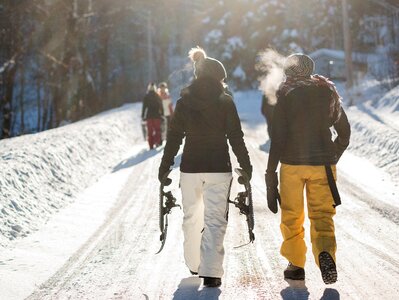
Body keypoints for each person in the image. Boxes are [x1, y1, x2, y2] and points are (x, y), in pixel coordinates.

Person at [158, 47, 252, 288]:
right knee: (214, 219)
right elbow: (236, 136)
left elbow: (174, 137)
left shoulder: (183, 102)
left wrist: (165, 165)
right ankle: (211, 272)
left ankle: (193, 263)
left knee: (191, 216)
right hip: (219, 167)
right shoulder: (225, 101)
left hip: (190, 168)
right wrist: (246, 165)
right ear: (218, 78)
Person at [265, 53, 350, 284]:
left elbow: (278, 137)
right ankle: (325, 253)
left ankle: (295, 265)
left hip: (292, 165)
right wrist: (334, 154)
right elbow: (344, 132)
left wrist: (270, 172)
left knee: (292, 216)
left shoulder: (285, 94)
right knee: (322, 215)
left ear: (289, 71)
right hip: (323, 164)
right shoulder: (327, 91)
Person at [141, 82, 164, 149]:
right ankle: (157, 142)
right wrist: (162, 114)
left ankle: (151, 145)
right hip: (157, 116)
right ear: (155, 88)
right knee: (157, 130)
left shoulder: (146, 96)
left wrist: (143, 116)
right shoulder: (157, 96)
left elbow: (144, 107)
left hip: (149, 116)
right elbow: (161, 106)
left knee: (150, 131)